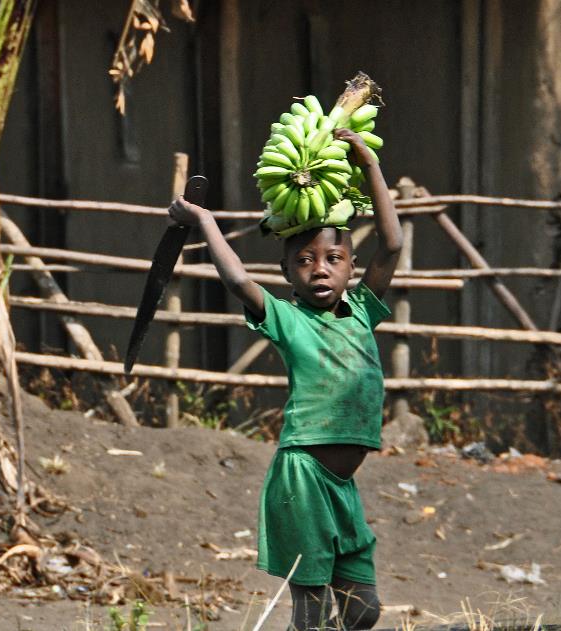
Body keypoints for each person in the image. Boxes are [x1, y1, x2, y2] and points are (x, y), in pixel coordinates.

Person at [168, 127, 402, 630]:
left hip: (341, 486)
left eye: (333, 259)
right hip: (302, 478)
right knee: (312, 611)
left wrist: (369, 164)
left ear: (351, 267)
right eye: (304, 260)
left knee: (364, 612)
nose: (320, 269)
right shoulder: (285, 318)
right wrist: (205, 220)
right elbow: (236, 279)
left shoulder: (363, 311)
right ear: (286, 272)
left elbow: (394, 241)